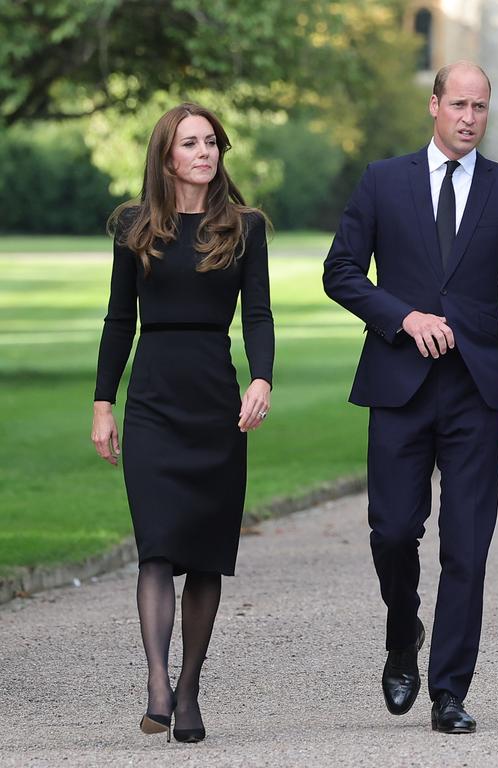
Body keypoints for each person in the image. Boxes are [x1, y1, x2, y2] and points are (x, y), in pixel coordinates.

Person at [322, 61, 498, 734]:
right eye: (458, 104)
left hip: (475, 391)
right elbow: (340, 272)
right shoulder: (383, 181)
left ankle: (449, 690)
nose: (469, 117)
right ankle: (402, 629)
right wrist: (402, 317)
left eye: (480, 106)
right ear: (434, 105)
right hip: (399, 385)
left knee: (467, 548)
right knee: (393, 531)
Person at [91, 103, 274, 743]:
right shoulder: (135, 227)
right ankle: (158, 685)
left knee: (204, 556)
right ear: (166, 155)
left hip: (213, 402)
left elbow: (259, 315)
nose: (205, 152)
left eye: (212, 142)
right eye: (190, 143)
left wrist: (261, 377)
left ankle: (191, 689)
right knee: (158, 546)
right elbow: (119, 321)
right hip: (152, 401)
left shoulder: (245, 228)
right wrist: (102, 404)